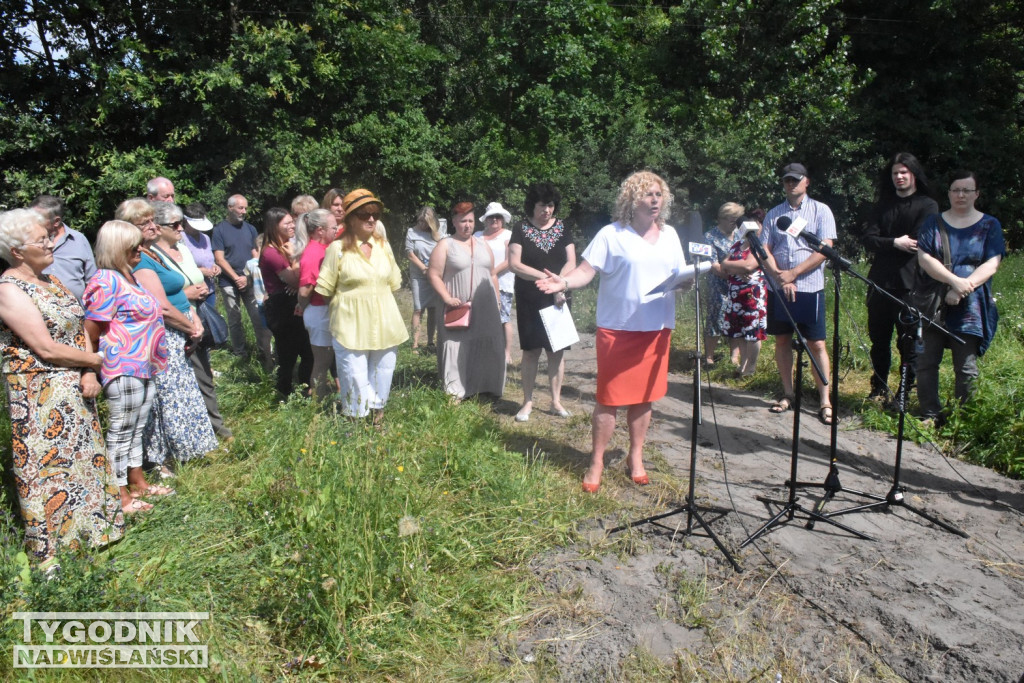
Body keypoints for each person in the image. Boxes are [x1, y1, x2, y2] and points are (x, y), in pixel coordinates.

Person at [536, 171, 683, 492]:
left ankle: (636, 456)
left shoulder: (671, 235)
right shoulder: (611, 235)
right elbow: (585, 272)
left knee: (645, 399)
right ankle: (597, 460)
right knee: (609, 399)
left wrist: (688, 282)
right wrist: (563, 281)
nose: (655, 199)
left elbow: (678, 274)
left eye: (659, 194)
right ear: (631, 200)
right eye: (648, 194)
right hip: (619, 330)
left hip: (656, 330)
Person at [0, 208, 124, 568]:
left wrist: (88, 373)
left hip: (74, 388)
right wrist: (97, 362)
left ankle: (93, 532)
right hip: (40, 397)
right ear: (17, 251)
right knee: (50, 470)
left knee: (83, 462)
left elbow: (80, 329)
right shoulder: (9, 289)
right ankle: (54, 549)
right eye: (41, 240)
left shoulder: (51, 281)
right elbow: (45, 348)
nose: (51, 242)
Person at [115, 198, 218, 473]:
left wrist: (193, 318)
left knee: (180, 394)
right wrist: (191, 327)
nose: (152, 226)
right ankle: (164, 460)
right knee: (166, 399)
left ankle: (186, 453)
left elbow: (180, 292)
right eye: (144, 222)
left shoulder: (154, 253)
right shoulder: (138, 260)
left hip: (179, 330)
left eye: (152, 220)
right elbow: (159, 306)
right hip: (163, 335)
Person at [84, 220, 170, 515]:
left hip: (144, 365)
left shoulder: (129, 275)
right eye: (135, 245)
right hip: (122, 364)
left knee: (136, 429)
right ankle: (118, 494)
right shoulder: (106, 280)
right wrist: (90, 365)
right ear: (119, 248)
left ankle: (137, 482)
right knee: (121, 430)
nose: (141, 250)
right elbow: (91, 328)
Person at [916, 170, 1005, 426]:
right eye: (956, 189)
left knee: (965, 368)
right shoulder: (934, 222)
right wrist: (953, 281)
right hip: (934, 302)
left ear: (976, 194)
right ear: (949, 193)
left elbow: (992, 263)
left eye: (967, 190)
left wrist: (962, 289)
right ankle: (930, 415)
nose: (961, 195)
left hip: (971, 306)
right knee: (926, 362)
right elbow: (925, 258)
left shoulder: (990, 224)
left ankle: (964, 421)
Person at [314, 190, 408, 420]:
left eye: (375, 214)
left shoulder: (383, 246)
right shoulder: (337, 249)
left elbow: (394, 282)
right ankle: (355, 421)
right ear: (351, 219)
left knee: (383, 370)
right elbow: (326, 289)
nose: (371, 219)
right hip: (350, 323)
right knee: (353, 373)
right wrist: (342, 309)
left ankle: (378, 417)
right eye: (365, 214)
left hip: (384, 320)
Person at [760, 162, 837, 425]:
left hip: (809, 286)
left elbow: (825, 247)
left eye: (796, 180)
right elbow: (764, 249)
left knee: (816, 344)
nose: (791, 184)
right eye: (786, 180)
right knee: (782, 340)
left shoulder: (821, 211)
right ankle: (788, 393)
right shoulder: (773, 214)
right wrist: (781, 276)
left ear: (807, 182)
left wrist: (794, 274)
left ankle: (825, 400)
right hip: (779, 286)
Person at [150, 202, 232, 439]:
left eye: (180, 223)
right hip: (173, 324)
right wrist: (188, 294)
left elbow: (194, 274)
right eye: (175, 224)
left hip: (197, 317)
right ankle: (190, 434)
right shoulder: (152, 256)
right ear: (159, 227)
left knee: (204, 373)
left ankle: (215, 425)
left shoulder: (183, 248)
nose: (180, 228)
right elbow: (153, 295)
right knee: (180, 383)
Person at [862, 153, 939, 402]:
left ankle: (904, 392)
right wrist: (895, 242)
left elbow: (917, 242)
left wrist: (887, 243)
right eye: (895, 173)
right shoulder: (883, 204)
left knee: (908, 342)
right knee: (879, 340)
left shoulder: (928, 205)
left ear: (914, 174)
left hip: (910, 284)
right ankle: (879, 388)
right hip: (880, 282)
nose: (899, 177)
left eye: (904, 172)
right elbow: (869, 239)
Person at [509, 182, 575, 421]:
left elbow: (571, 261)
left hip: (559, 296)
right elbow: (515, 264)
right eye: (542, 205)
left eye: (550, 205)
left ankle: (556, 401)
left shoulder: (563, 227)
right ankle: (527, 402)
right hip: (530, 296)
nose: (547, 210)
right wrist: (546, 278)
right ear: (532, 206)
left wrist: (560, 283)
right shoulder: (520, 228)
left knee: (556, 350)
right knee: (531, 351)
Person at [428, 201, 506, 400]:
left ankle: (485, 386)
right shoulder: (445, 245)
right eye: (463, 221)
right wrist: (446, 297)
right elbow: (434, 274)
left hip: (485, 304)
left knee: (487, 342)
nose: (467, 225)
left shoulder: (483, 244)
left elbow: (492, 274)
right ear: (454, 221)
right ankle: (456, 390)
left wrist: (497, 300)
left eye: (470, 221)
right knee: (456, 344)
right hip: (456, 305)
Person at [211, 194, 273, 367]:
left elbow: (256, 253)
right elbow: (219, 258)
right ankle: (240, 352)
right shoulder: (220, 230)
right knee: (234, 318)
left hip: (249, 280)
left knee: (258, 316)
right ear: (230, 208)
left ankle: (265, 351)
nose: (244, 211)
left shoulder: (250, 229)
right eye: (240, 208)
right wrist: (236, 278)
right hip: (228, 281)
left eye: (245, 208)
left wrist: (247, 277)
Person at [260, 207, 313, 398]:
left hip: (293, 303)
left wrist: (296, 278)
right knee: (287, 353)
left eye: (292, 221)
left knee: (306, 349)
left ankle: (305, 388)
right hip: (282, 308)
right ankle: (285, 393)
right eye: (287, 223)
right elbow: (294, 279)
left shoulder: (287, 244)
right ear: (274, 227)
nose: (293, 226)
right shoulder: (271, 253)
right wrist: (295, 259)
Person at [719, 208, 768, 377]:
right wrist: (738, 269)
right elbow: (724, 263)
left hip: (752, 295)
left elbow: (749, 265)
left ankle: (751, 368)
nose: (753, 225)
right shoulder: (738, 244)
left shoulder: (760, 245)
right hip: (735, 294)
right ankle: (743, 364)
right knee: (739, 331)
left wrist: (736, 267)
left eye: (757, 222)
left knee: (753, 333)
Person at [297, 209, 339, 399]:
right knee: (322, 363)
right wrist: (303, 306)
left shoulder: (324, 249)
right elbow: (305, 290)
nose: (336, 231)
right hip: (320, 312)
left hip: (323, 311)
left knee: (327, 360)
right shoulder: (314, 253)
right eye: (333, 227)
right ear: (320, 230)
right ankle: (318, 404)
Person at [29, 194, 97, 303]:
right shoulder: (28, 243)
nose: (32, 222)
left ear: (56, 221)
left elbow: (92, 281)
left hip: (78, 313)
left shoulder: (78, 240)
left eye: (38, 219)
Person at [704, 203, 744, 366]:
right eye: (731, 220)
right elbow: (712, 264)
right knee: (716, 318)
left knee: (737, 319)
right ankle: (709, 357)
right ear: (721, 219)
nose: (734, 223)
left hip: (739, 285)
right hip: (718, 285)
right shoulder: (709, 236)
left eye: (737, 220)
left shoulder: (741, 235)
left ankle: (734, 357)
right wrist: (735, 274)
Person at [476, 202, 515, 364]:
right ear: (486, 219)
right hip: (479, 284)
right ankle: (486, 349)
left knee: (503, 318)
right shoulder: (477, 236)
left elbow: (510, 260)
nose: (494, 220)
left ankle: (506, 353)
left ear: (503, 219)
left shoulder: (508, 235)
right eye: (491, 217)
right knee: (482, 318)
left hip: (503, 283)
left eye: (498, 217)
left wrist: (492, 273)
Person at [405, 206, 442, 352]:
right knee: (418, 308)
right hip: (419, 276)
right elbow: (410, 254)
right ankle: (414, 344)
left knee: (433, 309)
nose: (422, 225)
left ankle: (430, 342)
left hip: (434, 276)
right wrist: (424, 269)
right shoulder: (411, 232)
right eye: (421, 221)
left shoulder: (438, 234)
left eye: (426, 222)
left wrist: (433, 271)